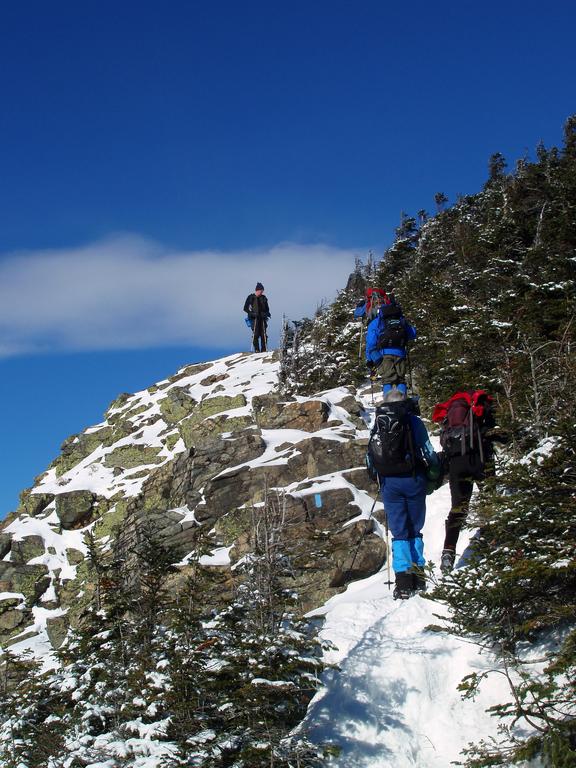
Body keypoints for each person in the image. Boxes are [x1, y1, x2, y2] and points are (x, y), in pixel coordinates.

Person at [368, 389, 441, 599]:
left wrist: (376, 476)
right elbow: (427, 450)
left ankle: (403, 581)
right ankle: (419, 576)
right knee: (415, 527)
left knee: (399, 530)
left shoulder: (380, 419)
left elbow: (371, 452)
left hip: (390, 482)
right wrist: (434, 472)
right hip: (414, 479)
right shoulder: (413, 421)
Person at [433, 390, 498, 574]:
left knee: (458, 508)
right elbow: (492, 430)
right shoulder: (479, 404)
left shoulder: (450, 413)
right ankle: (491, 539)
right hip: (480, 460)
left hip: (456, 464)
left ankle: (448, 552)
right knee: (489, 500)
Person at [365, 298, 416, 395]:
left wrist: (369, 359)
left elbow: (371, 343)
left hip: (384, 354)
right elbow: (413, 334)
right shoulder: (400, 319)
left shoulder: (376, 322)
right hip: (400, 352)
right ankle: (402, 403)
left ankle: (389, 405)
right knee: (400, 380)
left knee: (388, 380)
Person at [244, 282, 271, 352]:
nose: (262, 292)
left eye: (262, 291)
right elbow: (245, 308)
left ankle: (264, 349)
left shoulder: (264, 298)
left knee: (263, 334)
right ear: (257, 290)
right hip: (253, 319)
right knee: (255, 334)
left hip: (262, 318)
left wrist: (267, 314)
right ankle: (256, 349)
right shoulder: (251, 297)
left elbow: (267, 309)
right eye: (261, 291)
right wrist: (252, 314)